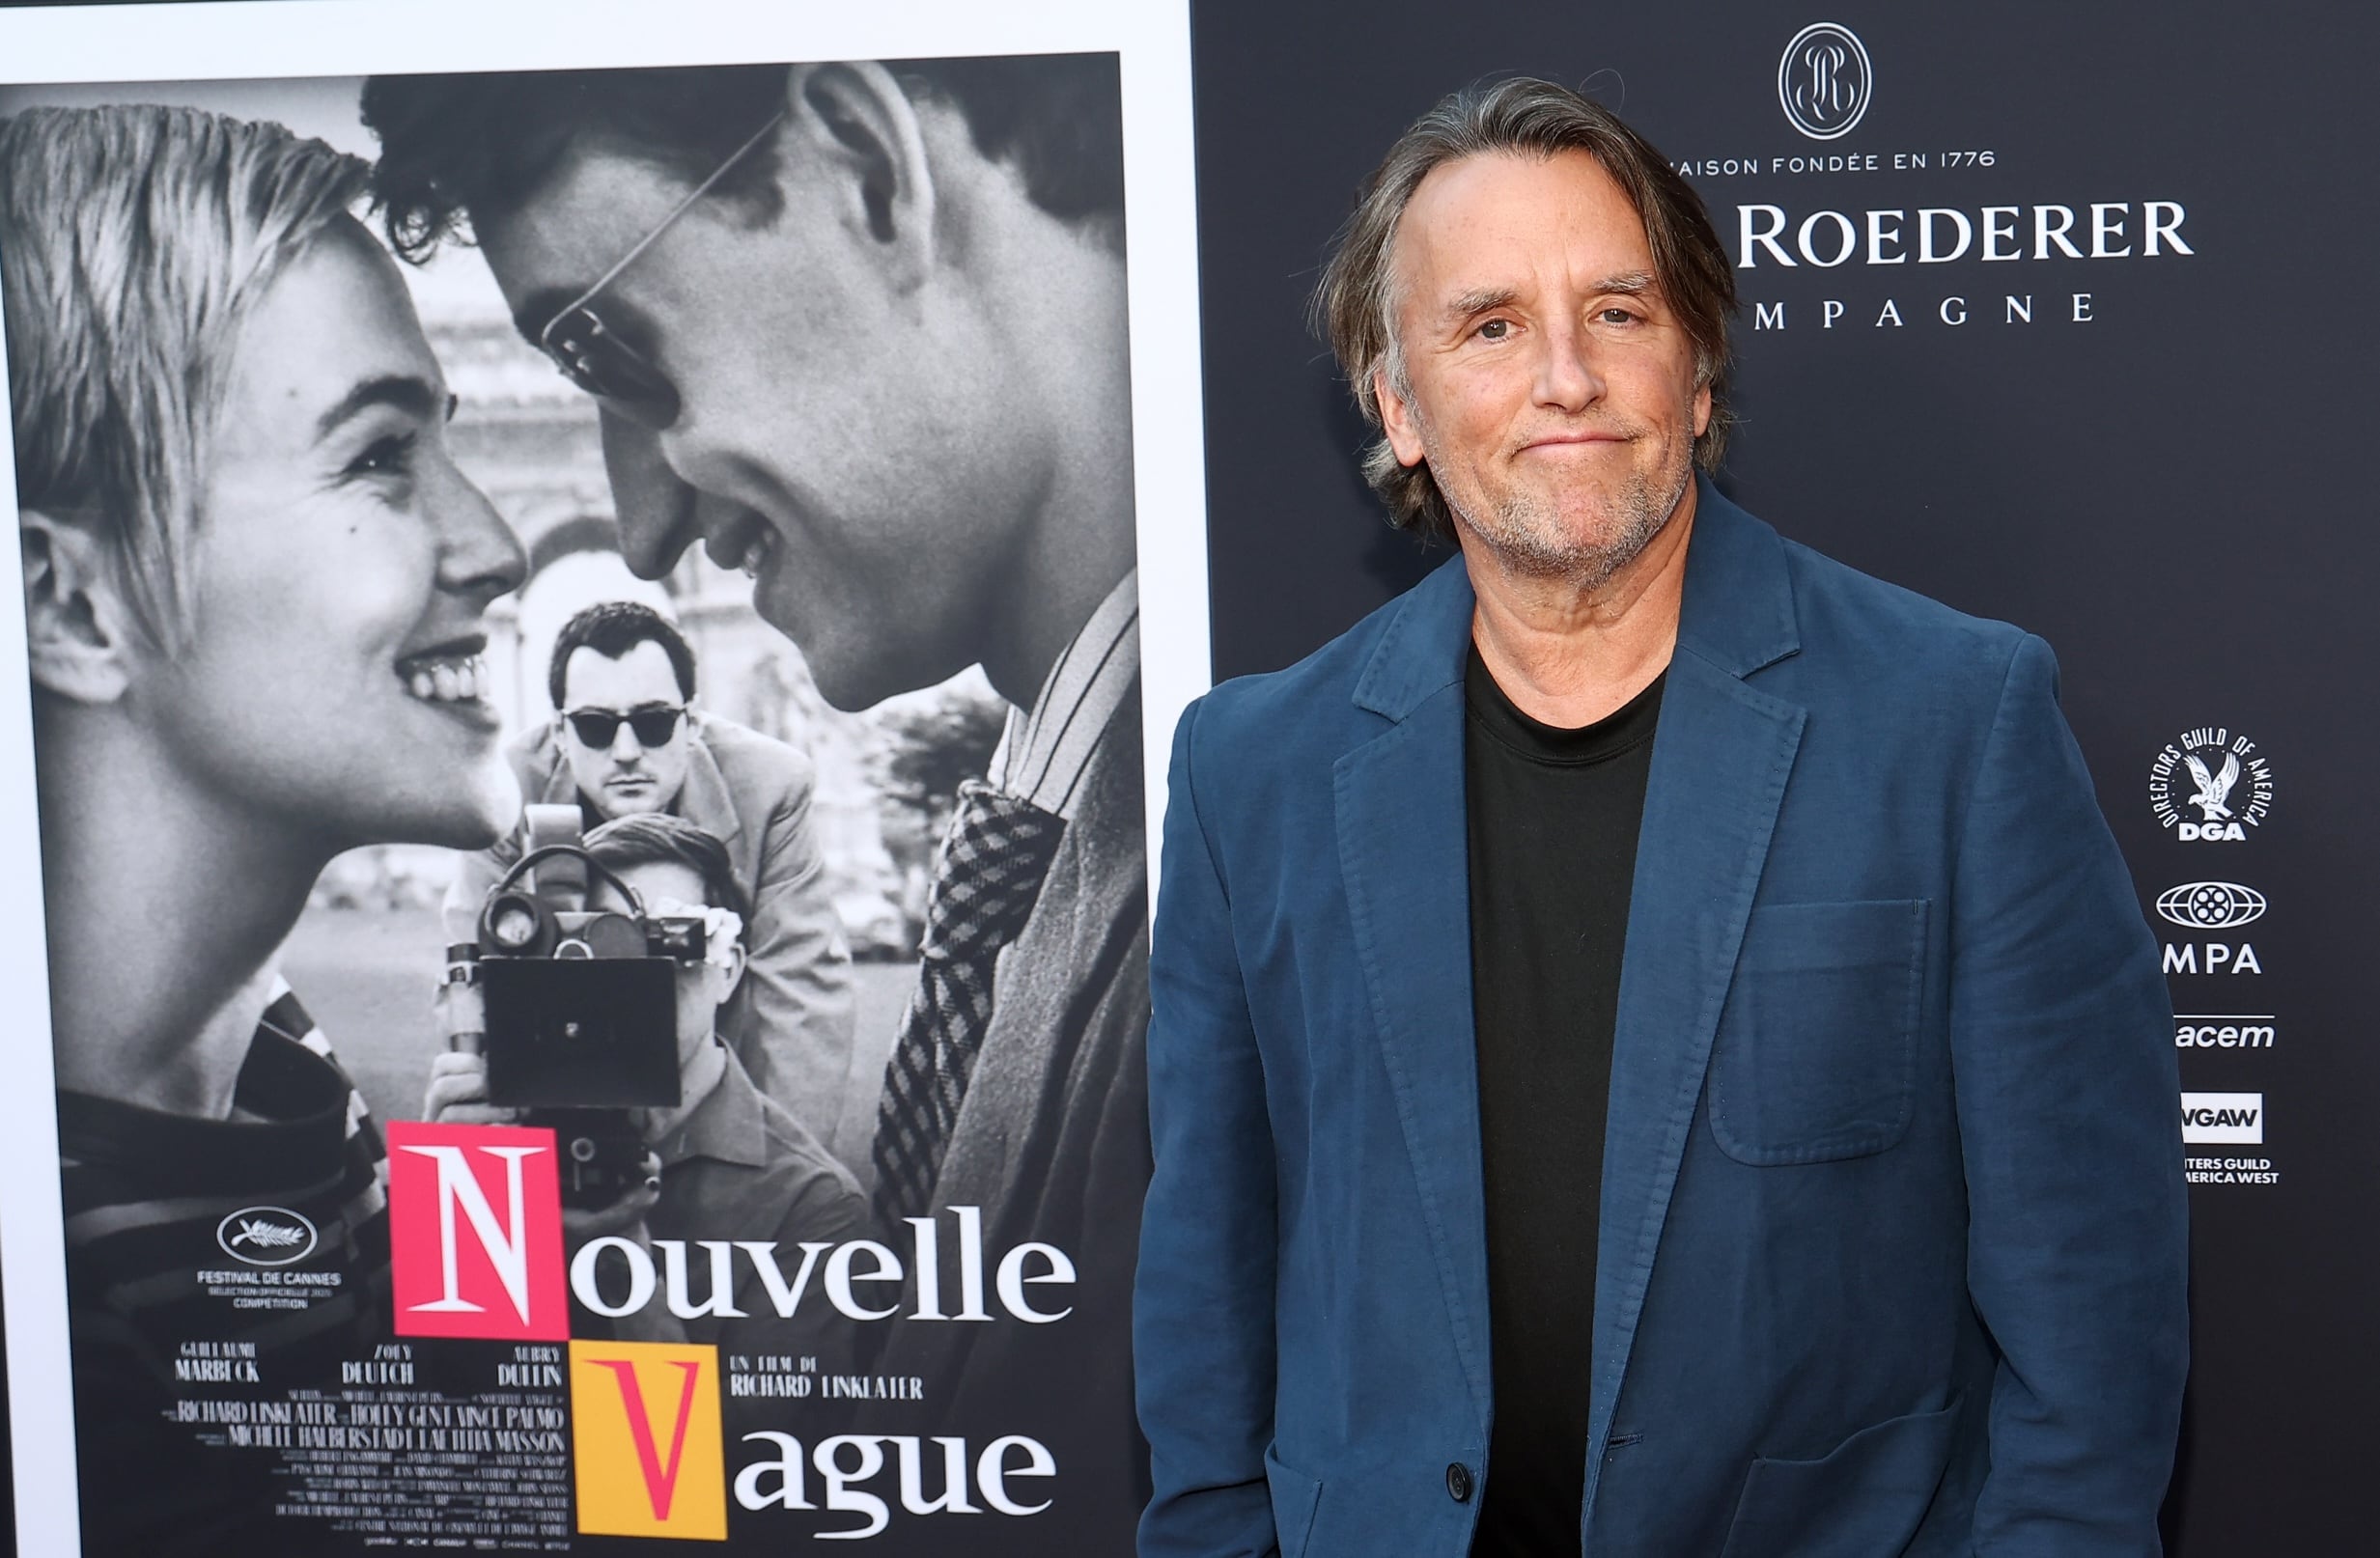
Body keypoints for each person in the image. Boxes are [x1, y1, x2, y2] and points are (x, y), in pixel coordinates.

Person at [1135, 78, 2187, 1558]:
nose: (1564, 375)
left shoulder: (1957, 721)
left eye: (1618, 311)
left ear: (1694, 373)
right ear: (1401, 405)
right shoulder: (1251, 766)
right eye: (1489, 325)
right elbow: (1206, 1278)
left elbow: (2090, 1305)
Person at [366, 57, 1150, 1548]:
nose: (645, 531)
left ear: (864, 165)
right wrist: (500, 1258)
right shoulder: (1079, 822)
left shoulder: (1233, 858)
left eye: (618, 354)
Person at [2, 103, 528, 1551]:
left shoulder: (272, 1055)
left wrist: (509, 1221)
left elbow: (433, 1488)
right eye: (376, 458)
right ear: (68, 604)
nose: (496, 541)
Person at [427, 813, 868, 1371]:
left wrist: (618, 1267)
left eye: (660, 943)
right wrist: (446, 1204)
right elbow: (441, 1409)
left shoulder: (809, 1205)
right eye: (606, 946)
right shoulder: (497, 1138)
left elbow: (730, 1455)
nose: (633, 983)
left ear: (727, 969)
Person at [445, 599, 860, 1166]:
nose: (626, 752)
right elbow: (473, 982)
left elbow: (802, 993)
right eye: (594, 727)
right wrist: (484, 1161)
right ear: (560, 733)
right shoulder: (504, 792)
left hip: (709, 1068)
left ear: (691, 724)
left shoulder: (771, 785)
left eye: (653, 722)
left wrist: (777, 1181)